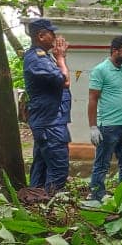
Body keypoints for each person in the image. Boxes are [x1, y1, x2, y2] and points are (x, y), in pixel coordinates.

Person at [23, 18, 72, 194]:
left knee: (41, 167)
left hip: (50, 121)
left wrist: (57, 58)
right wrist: (61, 58)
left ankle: (35, 203)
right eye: (52, 34)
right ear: (41, 36)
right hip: (50, 123)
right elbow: (65, 80)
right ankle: (52, 207)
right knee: (58, 170)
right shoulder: (37, 59)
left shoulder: (44, 57)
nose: (55, 37)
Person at [87, 35, 122, 200]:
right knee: (102, 165)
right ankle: (96, 198)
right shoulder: (100, 70)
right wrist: (93, 127)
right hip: (108, 126)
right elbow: (93, 99)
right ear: (115, 51)